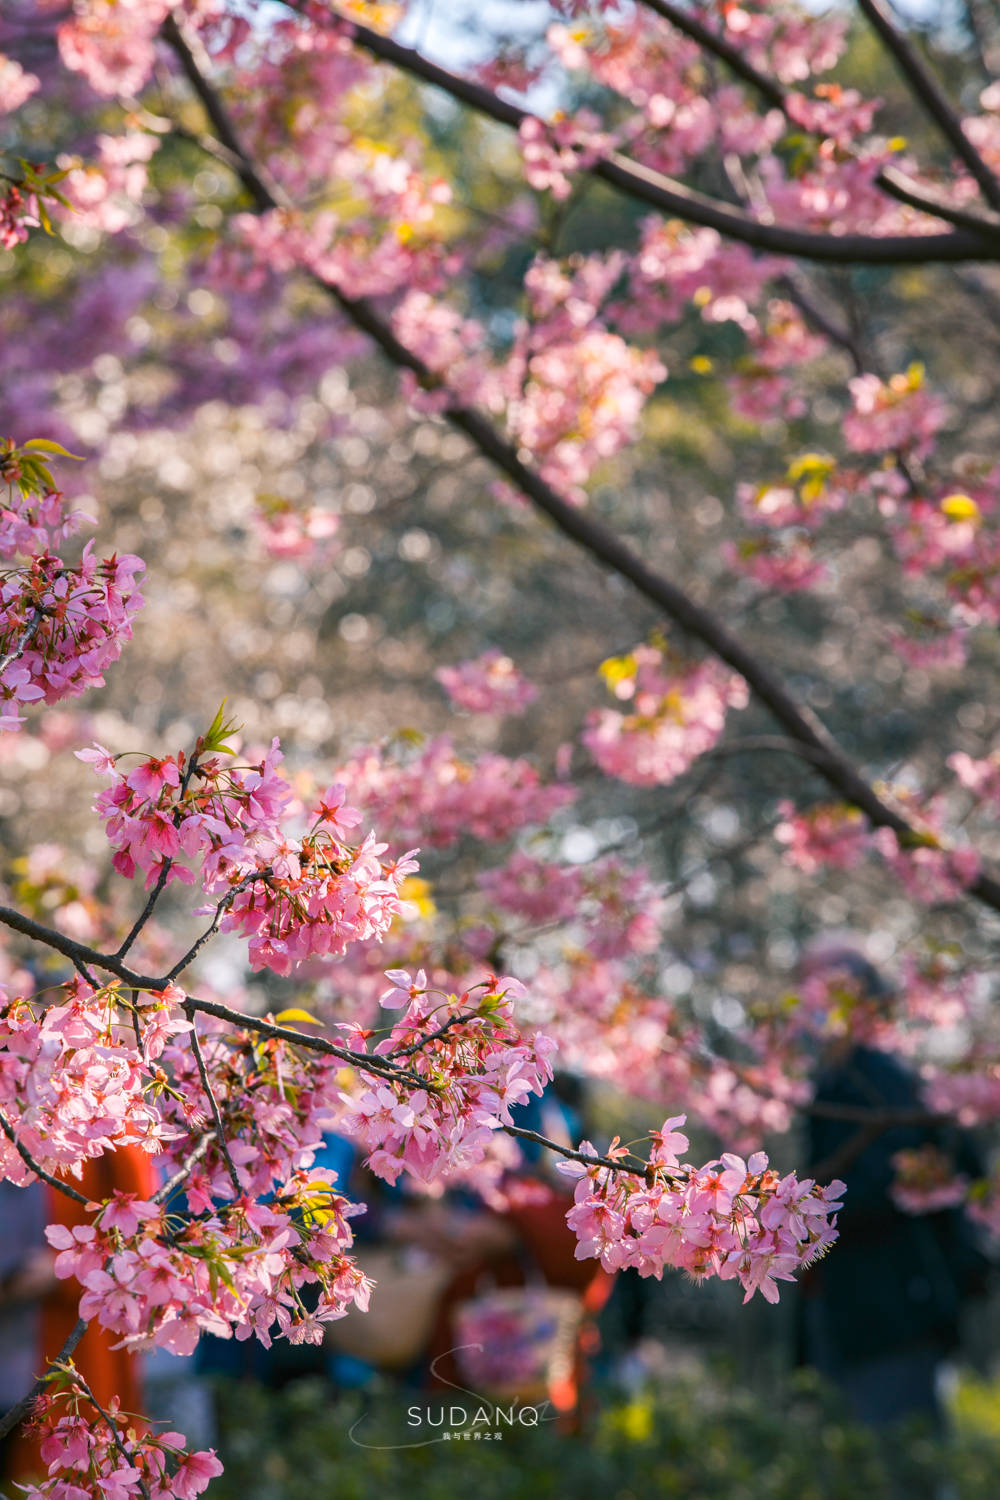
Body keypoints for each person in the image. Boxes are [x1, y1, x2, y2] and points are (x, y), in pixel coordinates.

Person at [796, 942, 990, 1431]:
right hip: (854, 1313)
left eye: (819, 983)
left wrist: (792, 1212)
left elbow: (884, 1186)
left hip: (893, 1312)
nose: (806, 998)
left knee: (903, 1463)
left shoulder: (878, 1074)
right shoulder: (838, 1076)